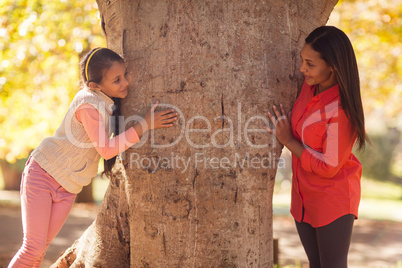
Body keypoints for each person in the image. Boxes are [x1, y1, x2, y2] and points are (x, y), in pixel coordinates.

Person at [8, 47, 178, 267]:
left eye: (124, 75)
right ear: (95, 86)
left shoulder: (106, 102)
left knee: (39, 249)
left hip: (69, 187)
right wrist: (144, 125)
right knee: (32, 249)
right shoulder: (88, 103)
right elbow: (106, 150)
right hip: (43, 174)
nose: (125, 82)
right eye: (117, 80)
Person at [264, 26, 369, 268]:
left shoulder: (341, 110)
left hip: (333, 199)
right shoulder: (308, 88)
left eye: (310, 64)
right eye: (302, 60)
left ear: (332, 66)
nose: (302, 68)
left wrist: (288, 140)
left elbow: (328, 166)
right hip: (303, 197)